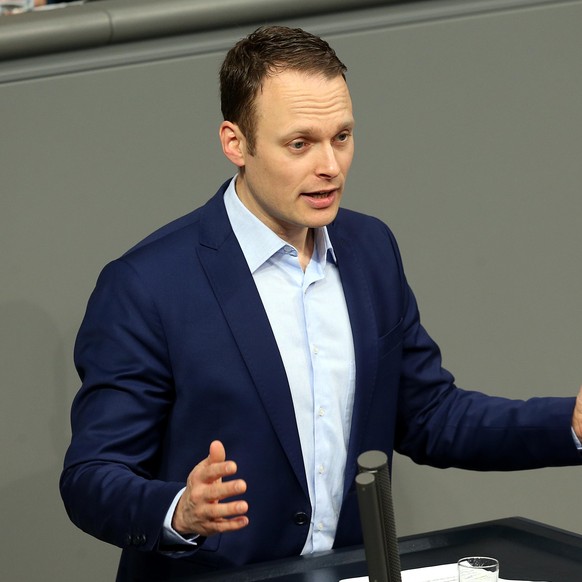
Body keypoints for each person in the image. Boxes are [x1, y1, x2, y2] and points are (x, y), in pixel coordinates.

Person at [60, 25, 582, 580]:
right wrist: (180, 512)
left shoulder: (371, 250)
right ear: (236, 143)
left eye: (342, 136)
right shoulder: (146, 286)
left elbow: (429, 414)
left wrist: (568, 424)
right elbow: (92, 476)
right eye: (300, 143)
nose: (329, 165)